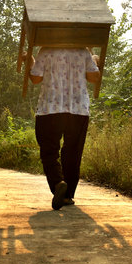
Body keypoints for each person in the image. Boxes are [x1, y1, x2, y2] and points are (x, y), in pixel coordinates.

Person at [27, 47, 100, 210]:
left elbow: (36, 78)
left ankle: (58, 183)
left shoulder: (46, 51)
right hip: (78, 109)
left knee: (49, 152)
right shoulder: (83, 52)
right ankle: (67, 196)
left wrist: (30, 59)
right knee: (73, 152)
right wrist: (94, 60)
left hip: (50, 108)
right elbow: (94, 77)